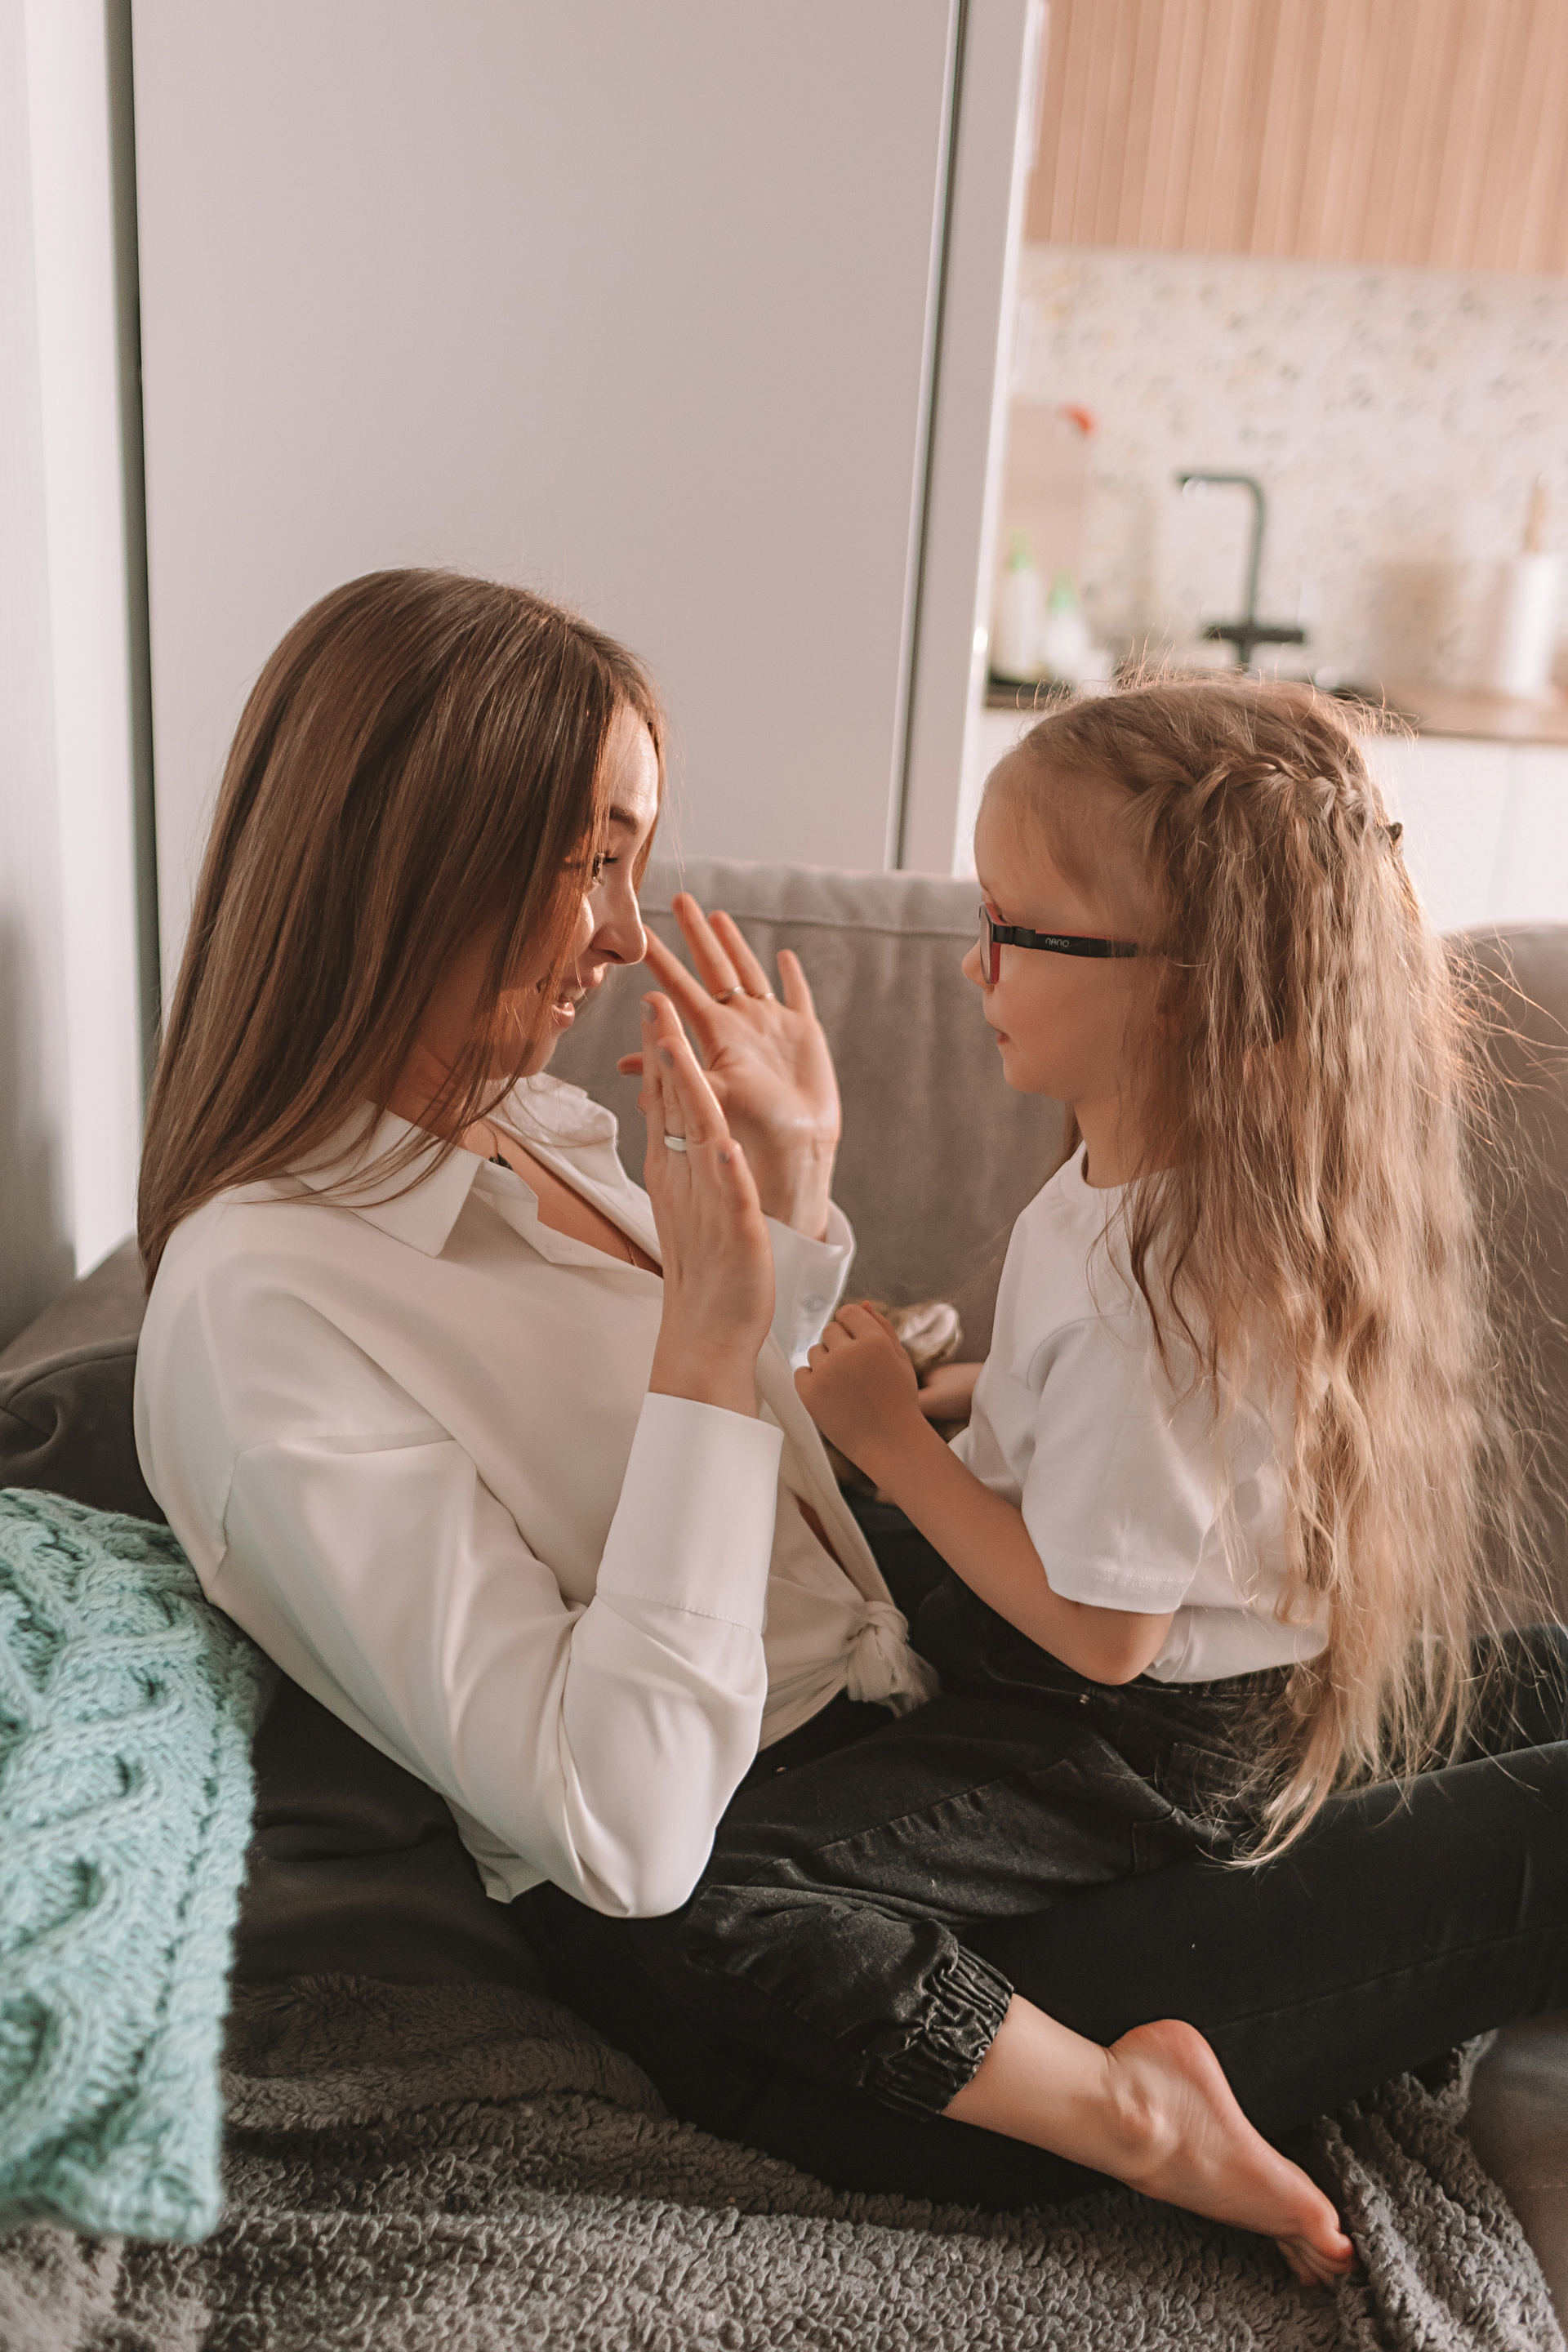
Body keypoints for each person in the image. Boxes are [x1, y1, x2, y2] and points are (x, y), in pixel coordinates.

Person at [132, 585, 1563, 2282]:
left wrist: (792, 1209)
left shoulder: (523, 1132)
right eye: (592, 862)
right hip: (820, 1968)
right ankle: (1129, 2107)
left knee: (1539, 1669)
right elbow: (627, 1834)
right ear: (411, 867)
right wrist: (713, 1333)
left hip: (966, 1737)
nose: (628, 935)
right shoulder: (269, 1310)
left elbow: (757, 1468)